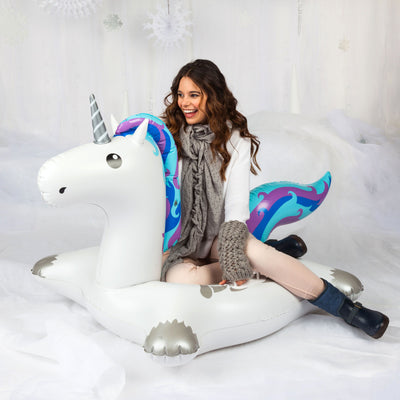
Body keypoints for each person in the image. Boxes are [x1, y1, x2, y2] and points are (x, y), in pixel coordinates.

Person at [161, 59, 389, 339]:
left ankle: (347, 309)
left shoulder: (235, 139)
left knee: (257, 254)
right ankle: (271, 254)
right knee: (180, 279)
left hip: (219, 233)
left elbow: (235, 204)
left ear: (213, 95)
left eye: (194, 95)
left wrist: (233, 253)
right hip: (179, 240)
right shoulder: (169, 138)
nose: (184, 103)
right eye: (180, 94)